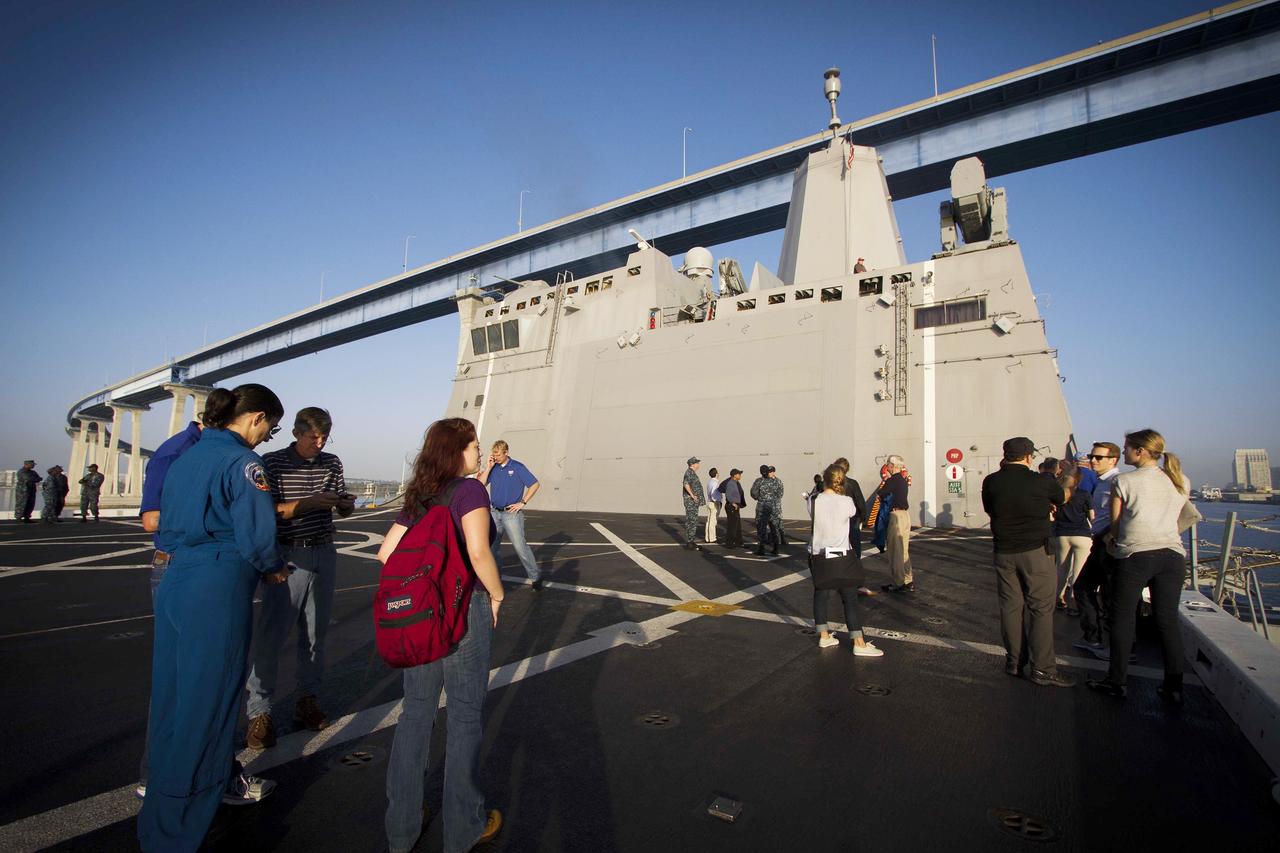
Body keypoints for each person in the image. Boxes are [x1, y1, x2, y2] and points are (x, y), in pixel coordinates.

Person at [136, 384, 288, 851]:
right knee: (209, 707)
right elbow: (258, 536)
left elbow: (161, 520)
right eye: (271, 427)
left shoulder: (184, 457)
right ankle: (175, 831)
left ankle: (159, 804)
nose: (266, 437)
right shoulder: (243, 463)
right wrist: (275, 567)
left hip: (175, 580)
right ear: (256, 418)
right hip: (216, 587)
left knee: (172, 701)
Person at [378, 417, 505, 853]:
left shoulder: (419, 496)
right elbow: (478, 550)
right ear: (458, 451)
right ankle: (463, 828)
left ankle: (402, 829)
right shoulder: (470, 491)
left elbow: (385, 553)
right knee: (465, 717)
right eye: (474, 446)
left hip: (422, 617)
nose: (479, 453)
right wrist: (498, 594)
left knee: (415, 714)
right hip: (462, 610)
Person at [244, 407, 355, 749]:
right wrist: (308, 504)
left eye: (324, 437)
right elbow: (266, 509)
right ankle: (259, 713)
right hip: (288, 554)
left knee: (315, 635)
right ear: (296, 433)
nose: (319, 443)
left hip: (324, 551)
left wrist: (344, 503)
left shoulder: (332, 463)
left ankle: (307, 700)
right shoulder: (272, 463)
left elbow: (342, 507)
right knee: (272, 637)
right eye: (313, 437)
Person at [1087, 429, 1191, 703]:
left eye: (1128, 448)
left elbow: (1118, 525)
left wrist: (1110, 542)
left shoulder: (1124, 481)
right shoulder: (1180, 480)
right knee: (1167, 622)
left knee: (1122, 618)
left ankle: (1117, 681)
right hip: (1172, 556)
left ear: (1140, 451)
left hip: (1136, 556)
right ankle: (1174, 687)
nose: (1125, 453)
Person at [981, 437, 1074, 687]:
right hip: (1036, 552)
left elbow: (990, 509)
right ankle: (1043, 669)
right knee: (1040, 609)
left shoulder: (991, 481)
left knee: (1011, 607)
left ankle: (1014, 662)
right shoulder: (1042, 481)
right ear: (1029, 457)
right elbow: (1062, 498)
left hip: (1003, 551)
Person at [810, 464, 883, 657]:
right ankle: (859, 642)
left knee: (821, 594)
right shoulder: (847, 501)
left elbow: (815, 508)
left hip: (819, 554)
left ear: (823, 479)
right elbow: (852, 513)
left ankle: (824, 636)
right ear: (842, 480)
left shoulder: (813, 500)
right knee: (849, 598)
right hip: (841, 554)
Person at [1072, 442, 1122, 656]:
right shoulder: (1102, 483)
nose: (1093, 460)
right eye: (1092, 456)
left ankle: (1113, 646)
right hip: (1099, 542)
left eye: (1099, 457)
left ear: (1113, 460)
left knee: (1110, 597)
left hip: (1108, 543)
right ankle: (1094, 638)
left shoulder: (1117, 482)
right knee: (1083, 587)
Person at [478, 439, 543, 588]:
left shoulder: (518, 467)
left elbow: (535, 484)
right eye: (494, 456)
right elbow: (480, 485)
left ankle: (535, 577)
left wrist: (523, 502)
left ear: (506, 453)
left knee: (521, 547)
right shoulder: (493, 468)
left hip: (512, 514)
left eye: (498, 455)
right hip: (495, 513)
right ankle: (496, 578)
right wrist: (488, 467)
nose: (496, 458)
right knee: (492, 548)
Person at [1052, 465, 1093, 612]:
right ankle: (1074, 603)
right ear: (1078, 479)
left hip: (1062, 534)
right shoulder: (1084, 494)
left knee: (1062, 569)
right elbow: (1092, 516)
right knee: (1078, 571)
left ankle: (1059, 598)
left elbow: (1053, 515)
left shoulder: (1059, 495)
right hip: (1082, 534)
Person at [878, 455, 914, 592]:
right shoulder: (902, 480)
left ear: (892, 465)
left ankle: (899, 583)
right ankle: (908, 579)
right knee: (904, 550)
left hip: (896, 516)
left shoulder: (893, 480)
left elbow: (881, 493)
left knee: (895, 551)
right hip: (905, 515)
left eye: (888, 463)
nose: (887, 466)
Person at [752, 465, 785, 556]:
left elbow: (753, 493)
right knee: (774, 527)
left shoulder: (759, 481)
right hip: (774, 507)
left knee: (761, 527)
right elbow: (780, 494)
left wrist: (761, 498)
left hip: (762, 507)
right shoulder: (777, 481)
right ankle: (776, 548)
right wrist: (773, 500)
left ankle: (762, 548)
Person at [681, 457, 705, 550]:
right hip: (691, 502)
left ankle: (691, 541)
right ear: (692, 464)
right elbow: (686, 484)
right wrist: (692, 495)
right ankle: (690, 542)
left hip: (693, 502)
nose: (698, 464)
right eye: (697, 463)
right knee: (691, 521)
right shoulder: (689, 473)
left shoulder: (692, 473)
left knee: (693, 521)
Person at [720, 469, 747, 548]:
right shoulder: (731, 483)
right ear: (734, 475)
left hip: (735, 506)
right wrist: (733, 503)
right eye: (739, 474)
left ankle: (739, 542)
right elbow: (728, 494)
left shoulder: (735, 483)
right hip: (731, 506)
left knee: (737, 525)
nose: (740, 475)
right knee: (732, 526)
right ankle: (729, 543)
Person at [705, 467, 722, 544]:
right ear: (716, 474)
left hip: (709, 502)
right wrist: (717, 502)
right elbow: (714, 493)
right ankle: (712, 538)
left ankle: (707, 537)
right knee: (713, 521)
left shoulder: (709, 482)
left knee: (709, 521)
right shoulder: (715, 482)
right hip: (714, 503)